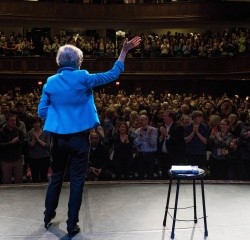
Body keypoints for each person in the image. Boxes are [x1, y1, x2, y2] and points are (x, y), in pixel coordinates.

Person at [37, 36, 141, 237]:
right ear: (77, 62)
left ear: (60, 62)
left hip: (58, 139)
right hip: (79, 139)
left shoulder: (50, 82)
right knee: (77, 180)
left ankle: (48, 216)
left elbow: (42, 111)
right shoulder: (83, 77)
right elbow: (112, 74)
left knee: (56, 178)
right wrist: (124, 51)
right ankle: (71, 225)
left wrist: (59, 119)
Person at [157, 110, 185, 179]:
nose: (163, 117)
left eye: (165, 116)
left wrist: (166, 135)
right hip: (163, 155)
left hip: (173, 156)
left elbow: (177, 142)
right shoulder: (161, 126)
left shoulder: (178, 127)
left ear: (170, 117)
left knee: (173, 176)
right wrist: (161, 137)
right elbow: (159, 142)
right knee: (164, 174)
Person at [0, 113, 25, 184]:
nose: (13, 122)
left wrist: (19, 141)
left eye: (14, 120)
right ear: (7, 121)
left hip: (17, 159)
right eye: (11, 120)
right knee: (7, 181)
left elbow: (24, 145)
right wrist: (11, 142)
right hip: (5, 160)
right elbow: (1, 146)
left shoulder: (19, 131)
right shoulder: (1, 132)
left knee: (19, 181)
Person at [26, 116, 50, 183]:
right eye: (34, 123)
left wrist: (38, 140)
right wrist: (34, 140)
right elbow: (29, 146)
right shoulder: (29, 133)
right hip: (33, 158)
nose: (36, 124)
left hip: (44, 157)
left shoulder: (45, 133)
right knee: (35, 177)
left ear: (40, 123)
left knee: (44, 177)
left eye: (37, 123)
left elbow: (47, 146)